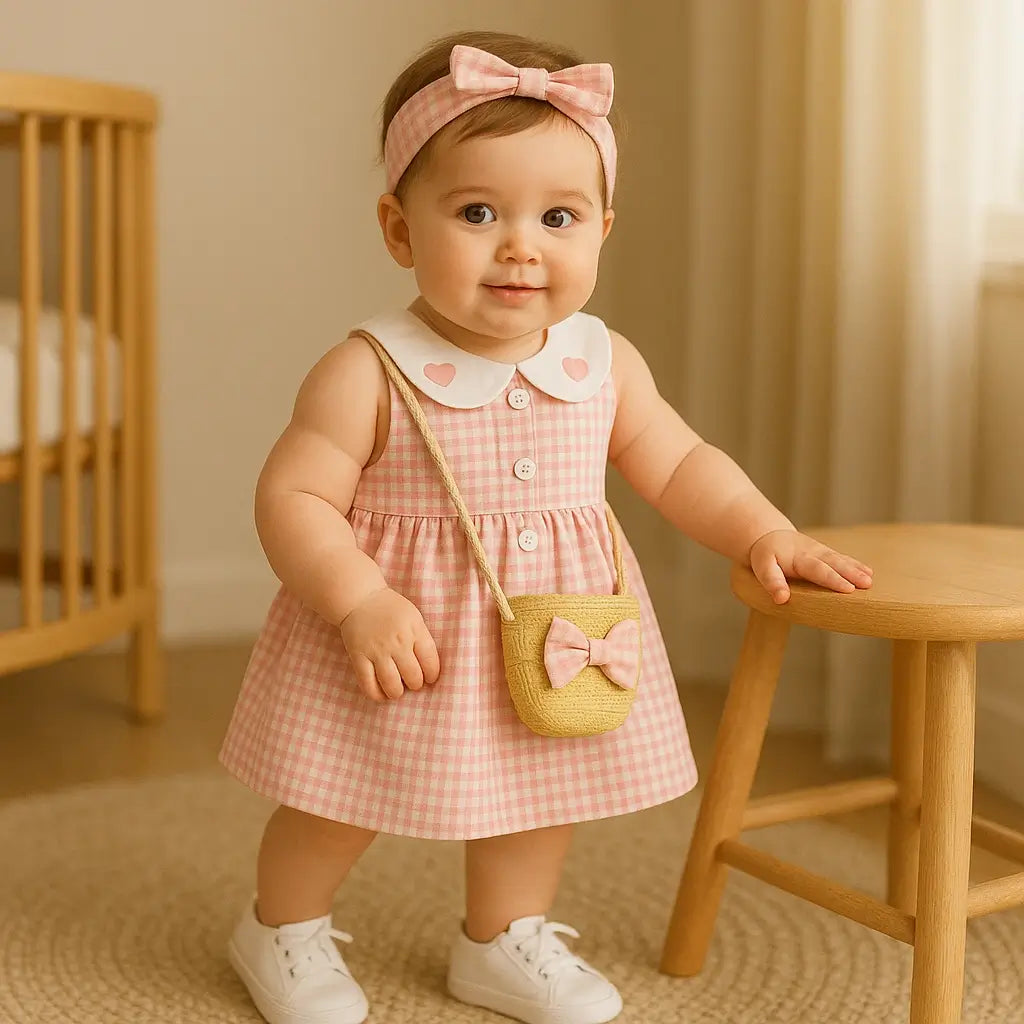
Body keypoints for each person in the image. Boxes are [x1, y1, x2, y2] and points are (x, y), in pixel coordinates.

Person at [219, 28, 873, 1024]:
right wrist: (356, 598)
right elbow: (294, 497)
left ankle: (501, 935)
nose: (521, 244)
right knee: (337, 797)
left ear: (601, 228)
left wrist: (760, 530)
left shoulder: (601, 363)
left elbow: (680, 461)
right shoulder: (368, 369)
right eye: (477, 211)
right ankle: (283, 926)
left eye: (557, 216)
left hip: (554, 633)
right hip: (400, 637)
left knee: (538, 794)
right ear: (399, 230)